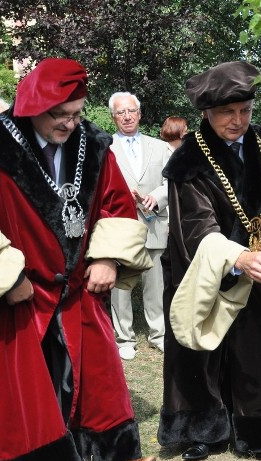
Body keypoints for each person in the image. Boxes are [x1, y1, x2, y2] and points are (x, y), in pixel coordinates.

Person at [0, 58, 156, 461]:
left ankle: (111, 449)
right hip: (18, 288)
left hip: (75, 284)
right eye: (60, 115)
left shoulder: (93, 143)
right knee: (20, 383)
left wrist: (108, 257)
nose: (70, 124)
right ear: (34, 105)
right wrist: (6, 279)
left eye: (76, 114)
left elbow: (115, 202)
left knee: (97, 370)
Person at [158, 61, 261, 461]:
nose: (238, 121)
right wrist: (238, 258)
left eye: (245, 110)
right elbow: (195, 226)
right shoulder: (188, 161)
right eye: (227, 113)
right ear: (207, 112)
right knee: (201, 355)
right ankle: (203, 430)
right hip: (205, 268)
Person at [108, 92, 169, 359]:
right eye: (121, 112)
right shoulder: (105, 148)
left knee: (155, 285)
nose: (127, 116)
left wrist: (157, 196)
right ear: (113, 117)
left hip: (154, 225)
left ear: (140, 114)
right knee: (121, 286)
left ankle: (158, 334)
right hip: (121, 228)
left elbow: (172, 182)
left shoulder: (160, 147)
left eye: (131, 111)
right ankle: (124, 338)